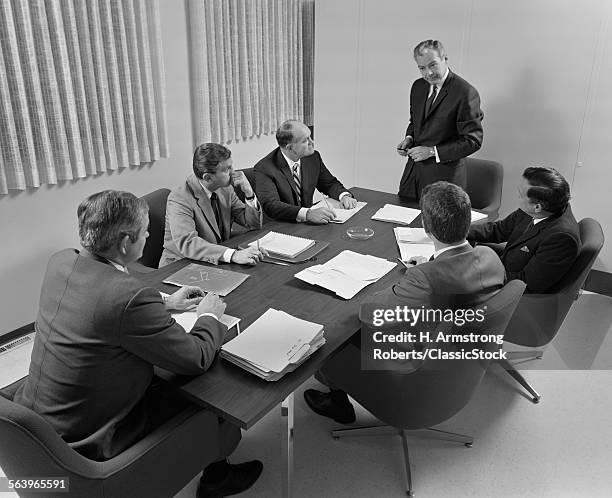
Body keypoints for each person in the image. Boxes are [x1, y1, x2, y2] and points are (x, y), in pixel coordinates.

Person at [14, 190, 262, 497]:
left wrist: (166, 302)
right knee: (210, 389)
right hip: (92, 439)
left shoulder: (61, 261)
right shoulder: (127, 297)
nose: (148, 235)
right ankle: (218, 474)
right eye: (145, 232)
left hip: (43, 417)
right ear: (125, 242)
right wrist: (208, 318)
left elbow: (98, 304)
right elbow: (195, 358)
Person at [303, 182, 505, 423]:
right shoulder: (490, 257)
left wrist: (409, 282)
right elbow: (458, 277)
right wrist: (429, 267)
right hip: (460, 364)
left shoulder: (425, 278)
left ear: (426, 228)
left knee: (339, 334)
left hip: (416, 373)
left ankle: (338, 402)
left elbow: (369, 314)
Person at [468, 166, 581, 294]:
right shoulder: (541, 209)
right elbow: (498, 230)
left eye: (521, 194)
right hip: (505, 266)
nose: (517, 196)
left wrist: (478, 275)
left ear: (537, 207)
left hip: (513, 294)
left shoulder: (561, 239)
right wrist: (460, 231)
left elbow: (525, 284)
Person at [397, 40, 483, 201]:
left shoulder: (465, 93)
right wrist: (409, 139)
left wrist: (431, 151)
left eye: (433, 65)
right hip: (412, 177)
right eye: (422, 68)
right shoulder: (418, 87)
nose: (428, 73)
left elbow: (472, 141)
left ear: (445, 59)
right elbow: (415, 122)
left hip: (445, 181)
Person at [160, 143, 264, 267]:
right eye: (227, 169)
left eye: (231, 166)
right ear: (208, 178)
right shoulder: (180, 198)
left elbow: (253, 223)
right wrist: (233, 255)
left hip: (213, 260)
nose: (233, 172)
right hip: (181, 265)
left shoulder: (225, 189)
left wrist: (249, 193)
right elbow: (188, 243)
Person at [254, 120, 358, 223]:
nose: (312, 142)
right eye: (305, 141)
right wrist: (307, 214)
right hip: (282, 225)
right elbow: (271, 205)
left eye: (310, 137)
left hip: (309, 224)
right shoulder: (264, 168)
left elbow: (329, 184)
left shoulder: (313, 157)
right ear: (290, 148)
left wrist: (344, 196)